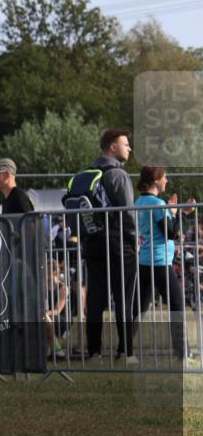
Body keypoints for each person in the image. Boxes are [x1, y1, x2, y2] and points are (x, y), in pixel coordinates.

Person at [80, 129, 138, 363]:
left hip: (92, 242)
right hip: (117, 242)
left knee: (95, 298)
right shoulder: (118, 175)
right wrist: (134, 240)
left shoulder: (86, 174)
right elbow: (127, 212)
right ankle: (125, 351)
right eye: (126, 144)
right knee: (124, 296)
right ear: (112, 147)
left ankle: (94, 352)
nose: (129, 148)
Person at [133, 166, 195, 361]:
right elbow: (171, 233)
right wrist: (178, 213)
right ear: (156, 179)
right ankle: (183, 353)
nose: (166, 180)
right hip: (160, 263)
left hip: (144, 261)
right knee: (177, 305)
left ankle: (123, 350)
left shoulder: (140, 201)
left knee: (138, 308)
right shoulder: (157, 203)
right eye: (165, 177)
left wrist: (178, 213)